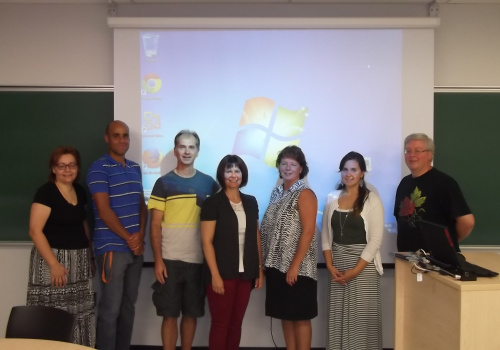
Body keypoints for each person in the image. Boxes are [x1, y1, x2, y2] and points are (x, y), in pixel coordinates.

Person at [148, 130, 219, 350]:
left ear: (197, 151)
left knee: (191, 315)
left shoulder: (209, 184)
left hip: (198, 261)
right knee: (169, 316)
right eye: (182, 147)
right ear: (175, 150)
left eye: (191, 147)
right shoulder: (163, 183)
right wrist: (158, 260)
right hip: (169, 260)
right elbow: (154, 225)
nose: (186, 151)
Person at [86, 120, 147, 350]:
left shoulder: (135, 168)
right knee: (110, 309)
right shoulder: (98, 168)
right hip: (112, 247)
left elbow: (141, 205)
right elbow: (104, 211)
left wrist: (140, 235)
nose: (122, 140)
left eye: (125, 136)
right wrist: (130, 238)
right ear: (107, 138)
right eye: (116, 135)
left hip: (135, 249)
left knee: (128, 307)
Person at [27, 146, 95, 347]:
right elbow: (34, 231)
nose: (67, 169)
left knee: (80, 314)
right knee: (54, 316)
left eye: (72, 165)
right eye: (62, 165)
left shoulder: (80, 191)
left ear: (77, 168)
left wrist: (89, 256)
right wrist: (54, 264)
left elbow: (83, 224)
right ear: (54, 169)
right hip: (54, 262)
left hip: (80, 262)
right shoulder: (46, 192)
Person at [321, 151, 384, 350]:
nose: (349, 174)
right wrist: (330, 266)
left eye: (354, 170)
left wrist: (355, 271)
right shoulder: (332, 199)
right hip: (338, 268)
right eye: (345, 169)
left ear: (362, 173)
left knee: (361, 323)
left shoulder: (371, 199)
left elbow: (375, 240)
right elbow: (325, 236)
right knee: (339, 319)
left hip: (363, 270)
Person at [200, 155, 264, 350]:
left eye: (237, 170)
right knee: (220, 325)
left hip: (246, 274)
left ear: (243, 174)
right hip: (222, 274)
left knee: (236, 324)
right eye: (229, 170)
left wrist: (259, 269)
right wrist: (215, 275)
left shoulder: (251, 202)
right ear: (222, 174)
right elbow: (206, 241)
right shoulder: (212, 203)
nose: (233, 175)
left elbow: (255, 236)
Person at [260, 145, 318, 350]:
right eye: (284, 163)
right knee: (286, 315)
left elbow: (308, 232)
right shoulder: (276, 193)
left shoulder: (305, 193)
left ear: (301, 168)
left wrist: (294, 266)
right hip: (276, 266)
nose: (287, 167)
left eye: (293, 164)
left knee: (301, 317)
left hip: (298, 269)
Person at [395, 133, 475, 252]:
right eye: (408, 151)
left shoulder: (444, 183)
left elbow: (467, 222)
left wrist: (448, 243)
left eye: (417, 151)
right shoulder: (404, 183)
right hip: (407, 257)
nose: (412, 155)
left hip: (438, 260)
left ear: (429, 154)